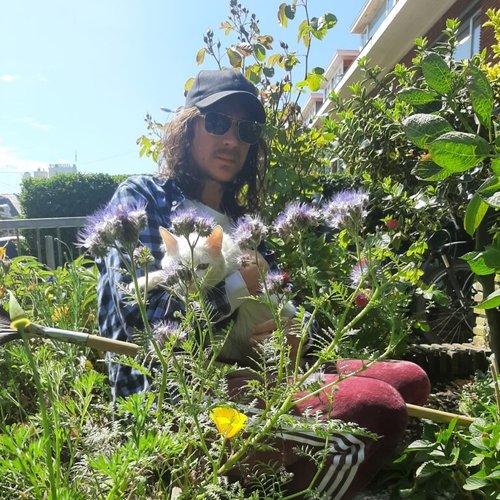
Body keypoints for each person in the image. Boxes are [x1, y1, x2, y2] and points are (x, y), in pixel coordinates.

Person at [97, 69, 430, 498]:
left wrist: (295, 334)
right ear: (188, 127)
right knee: (378, 407)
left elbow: (279, 299)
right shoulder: (145, 199)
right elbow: (140, 320)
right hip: (181, 396)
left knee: (409, 379)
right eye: (218, 122)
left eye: (247, 130)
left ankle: (292, 475)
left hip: (262, 370)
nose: (232, 140)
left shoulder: (240, 221)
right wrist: (238, 284)